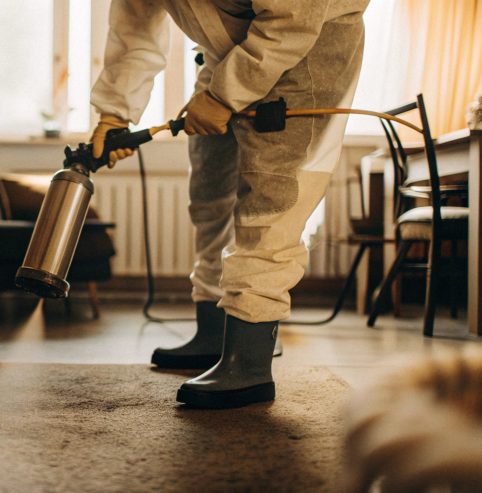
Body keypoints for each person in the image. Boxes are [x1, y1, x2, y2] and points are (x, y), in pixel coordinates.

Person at [90, 0, 368, 408]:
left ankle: (248, 362)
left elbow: (293, 19)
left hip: (305, 53)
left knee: (271, 206)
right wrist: (113, 114)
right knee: (210, 195)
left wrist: (224, 97)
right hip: (228, 56)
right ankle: (213, 329)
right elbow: (134, 32)